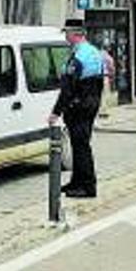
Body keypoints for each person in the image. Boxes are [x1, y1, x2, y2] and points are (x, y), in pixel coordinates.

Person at [49, 19, 105, 198]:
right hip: (90, 104)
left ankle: (87, 186)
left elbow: (68, 89)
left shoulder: (79, 57)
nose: (65, 36)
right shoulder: (94, 52)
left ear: (74, 34)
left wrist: (56, 112)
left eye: (67, 33)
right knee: (79, 145)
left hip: (79, 107)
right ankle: (77, 182)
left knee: (81, 147)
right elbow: (100, 82)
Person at [98, 41, 115, 119]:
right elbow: (111, 68)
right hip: (104, 77)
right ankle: (103, 112)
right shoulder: (108, 57)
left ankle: (97, 110)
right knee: (104, 94)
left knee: (97, 94)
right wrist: (112, 76)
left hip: (96, 77)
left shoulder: (96, 55)